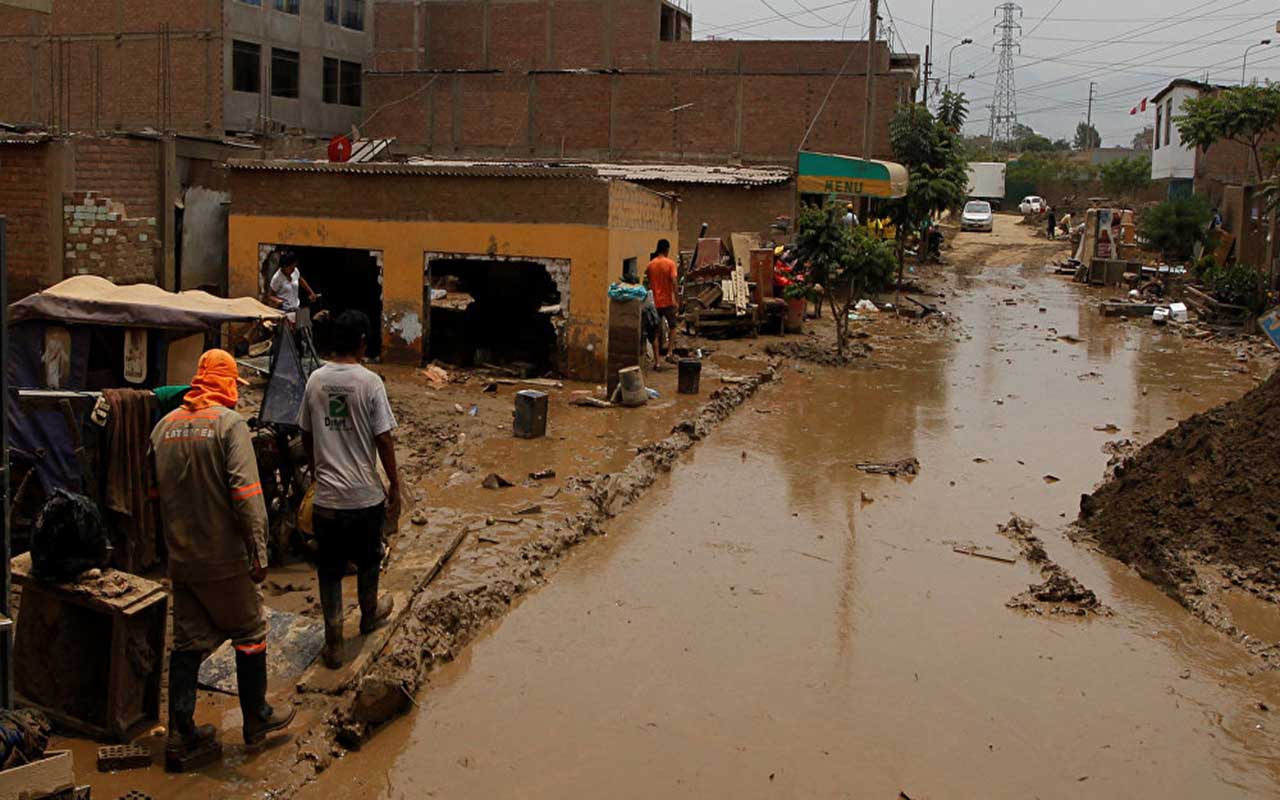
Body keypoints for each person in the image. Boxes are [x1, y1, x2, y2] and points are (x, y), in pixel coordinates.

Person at [151, 350, 295, 770]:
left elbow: (153, 497)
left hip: (182, 559)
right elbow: (248, 497)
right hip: (224, 558)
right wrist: (259, 552)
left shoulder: (163, 429)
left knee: (188, 642)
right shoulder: (229, 426)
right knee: (250, 630)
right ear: (227, 384)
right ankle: (257, 719)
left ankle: (181, 732)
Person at [299, 310, 399, 669]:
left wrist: (317, 472)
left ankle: (334, 641)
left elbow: (306, 435)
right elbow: (384, 441)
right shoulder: (370, 383)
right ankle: (369, 616)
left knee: (329, 569)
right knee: (369, 558)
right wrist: (395, 490)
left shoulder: (315, 381)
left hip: (327, 500)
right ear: (361, 343)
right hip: (364, 497)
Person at [645, 239, 679, 368]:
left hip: (655, 302)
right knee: (673, 327)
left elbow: (647, 282)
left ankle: (657, 361)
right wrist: (677, 299)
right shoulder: (670, 264)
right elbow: (674, 282)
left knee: (655, 331)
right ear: (667, 250)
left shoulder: (650, 265)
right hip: (668, 302)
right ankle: (669, 353)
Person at [267, 251, 317, 316]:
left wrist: (311, 292)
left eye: (294, 267)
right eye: (291, 268)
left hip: (296, 308)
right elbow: (270, 296)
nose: (293, 270)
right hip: (283, 311)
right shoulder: (277, 278)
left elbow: (300, 280)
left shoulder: (295, 271)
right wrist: (278, 301)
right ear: (284, 267)